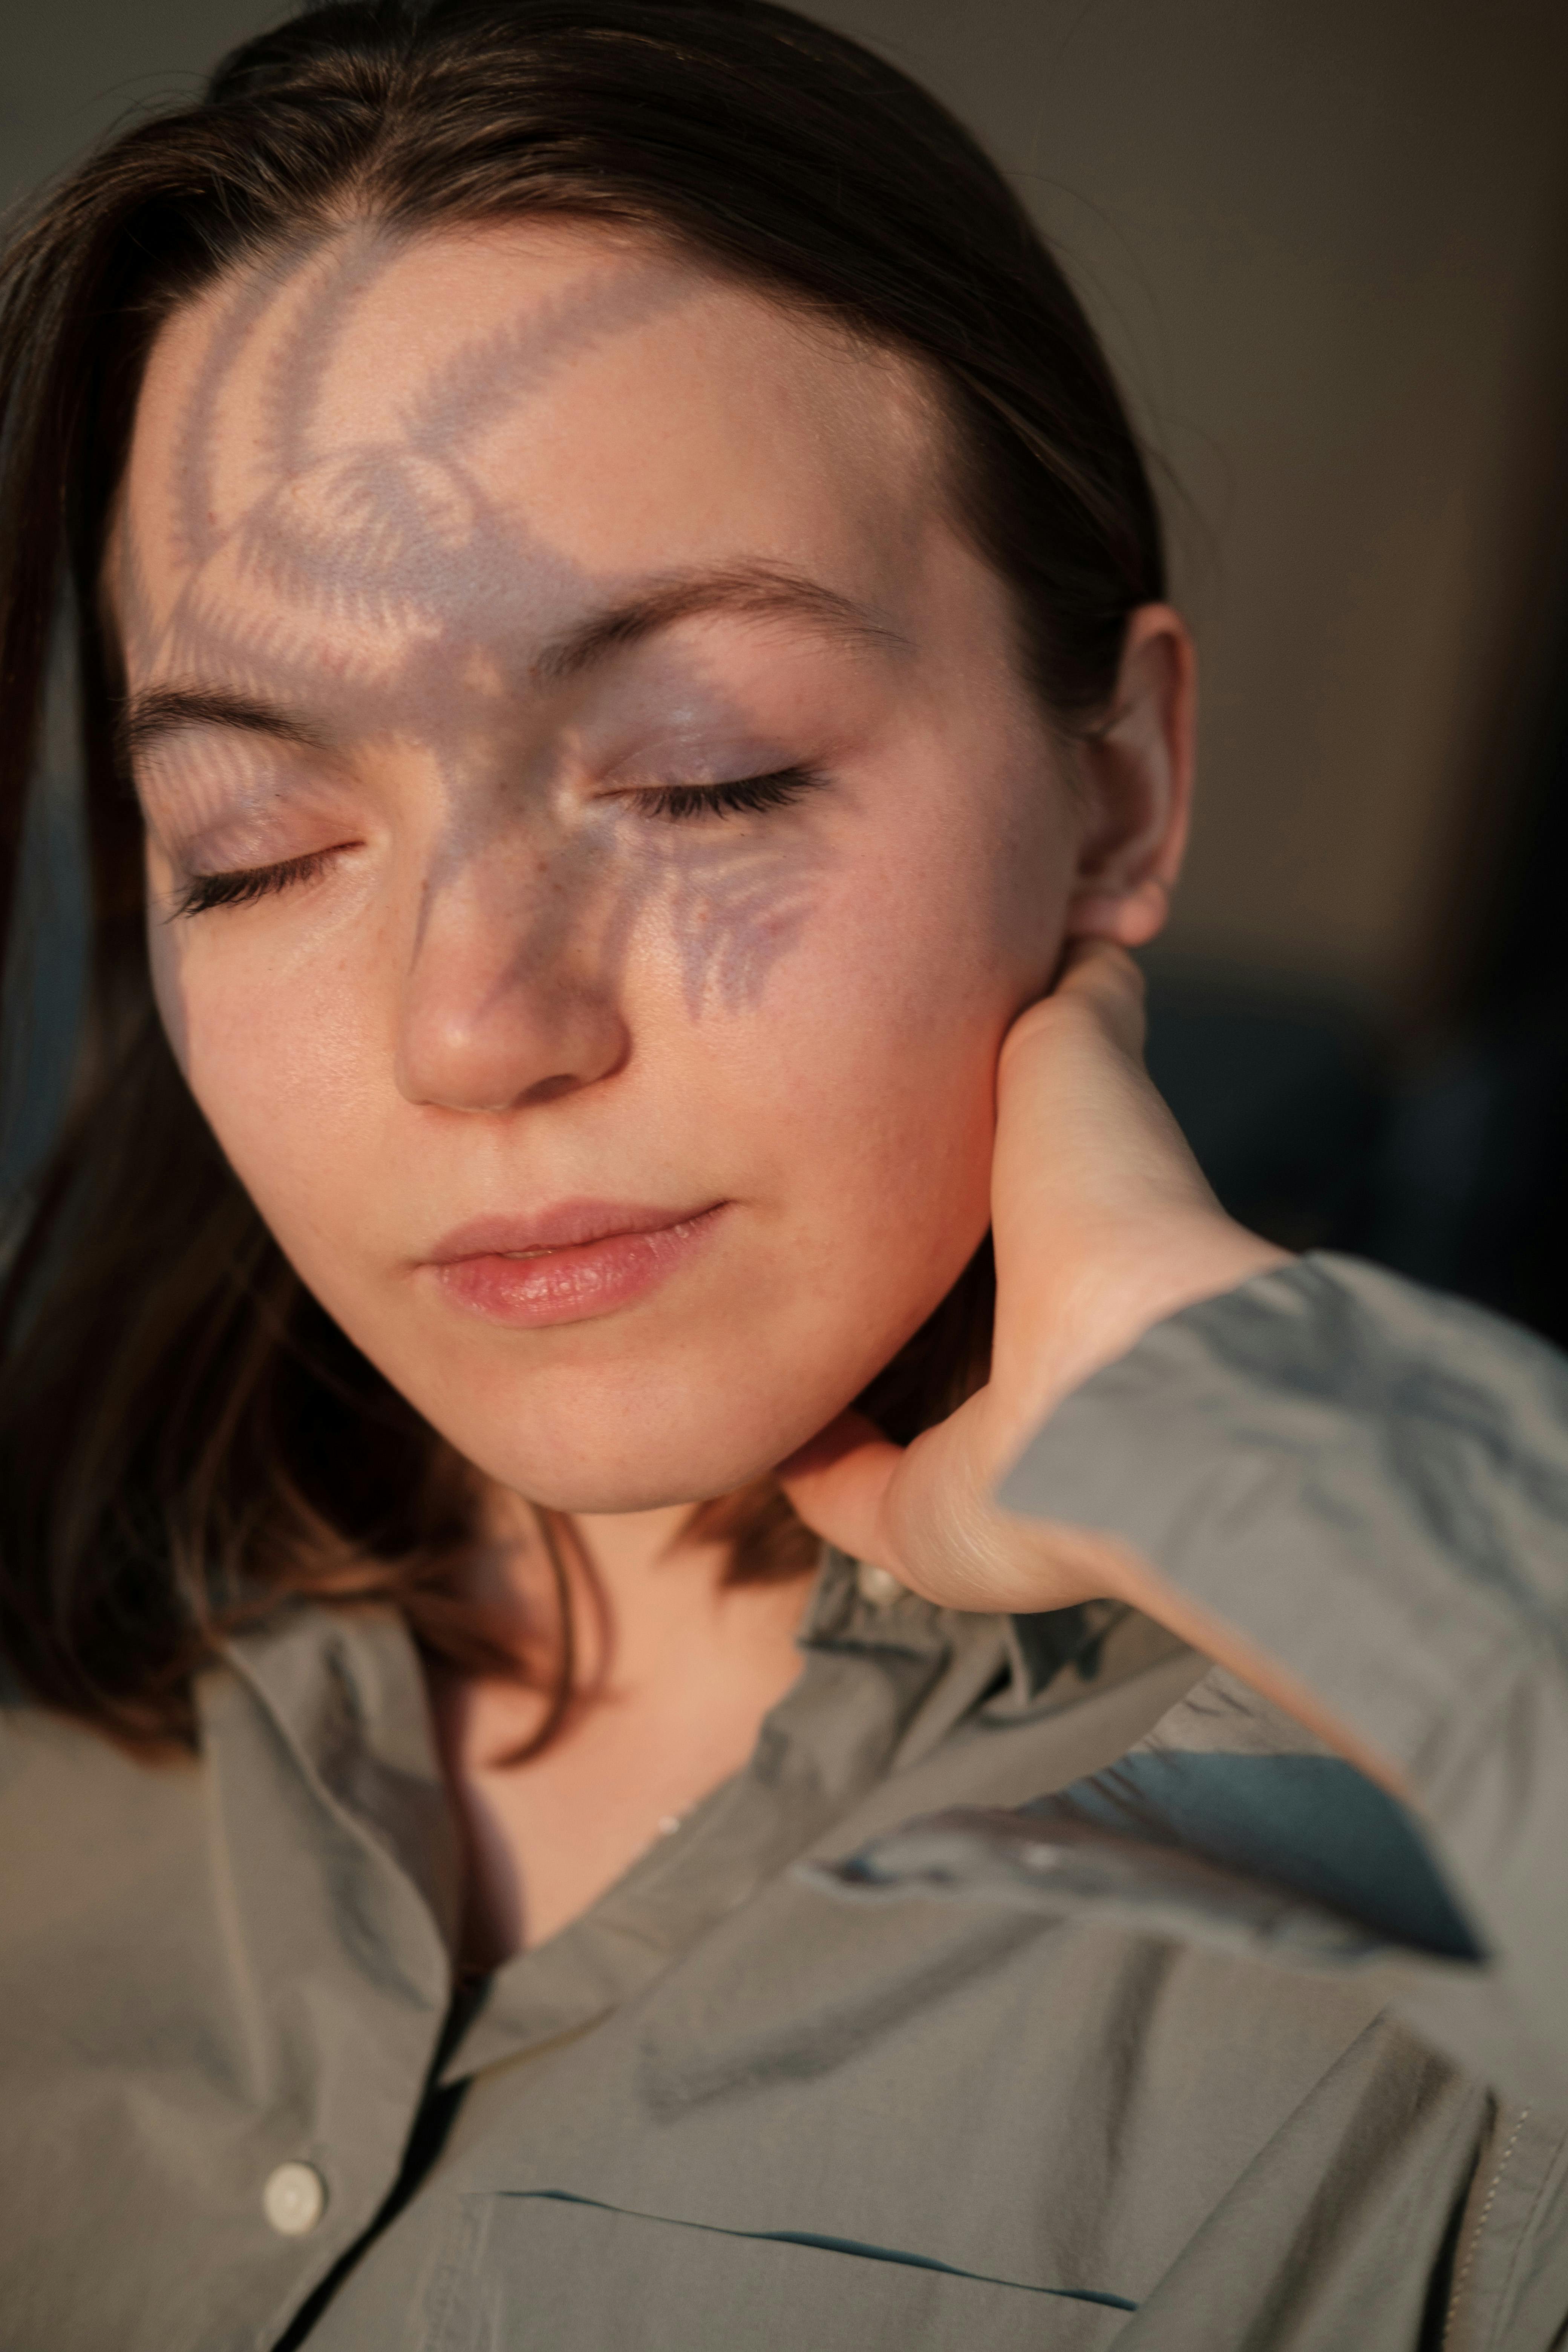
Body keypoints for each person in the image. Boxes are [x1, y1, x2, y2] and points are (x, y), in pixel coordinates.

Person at [0, 3, 1564, 2346]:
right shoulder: (58, 1714)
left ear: (1120, 788)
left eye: (705, 775)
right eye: (262, 845)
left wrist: (1241, 1420)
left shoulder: (1402, 1884)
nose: (474, 1026)